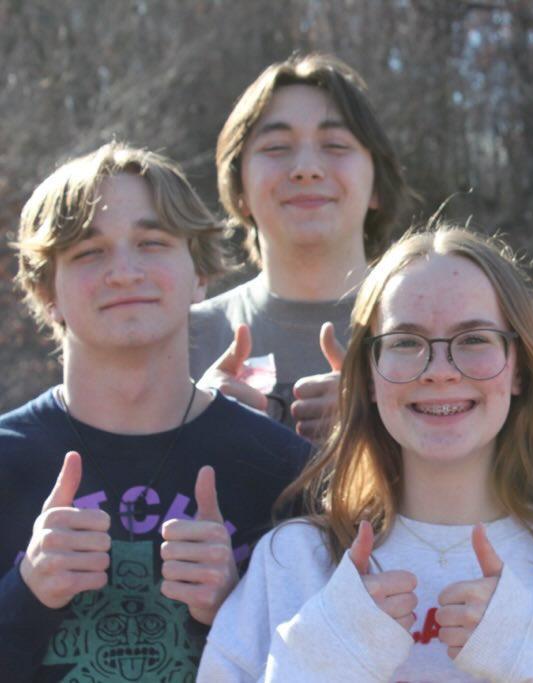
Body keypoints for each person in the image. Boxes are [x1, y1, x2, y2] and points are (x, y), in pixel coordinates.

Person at [198, 225, 533, 681]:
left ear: (519, 368)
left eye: (473, 339)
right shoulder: (294, 562)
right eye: (406, 342)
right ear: (369, 376)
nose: (439, 370)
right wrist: (323, 657)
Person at [0, 143, 310, 681]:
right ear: (48, 292)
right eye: (89, 252)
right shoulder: (7, 459)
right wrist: (26, 592)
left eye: (152, 242)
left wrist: (236, 608)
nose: (124, 272)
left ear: (199, 274)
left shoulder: (287, 472)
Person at [190, 53, 411, 439]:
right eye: (276, 147)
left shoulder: (436, 332)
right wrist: (191, 423)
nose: (306, 169)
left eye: (335, 145)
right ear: (239, 189)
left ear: (377, 183)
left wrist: (387, 419)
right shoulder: (183, 341)